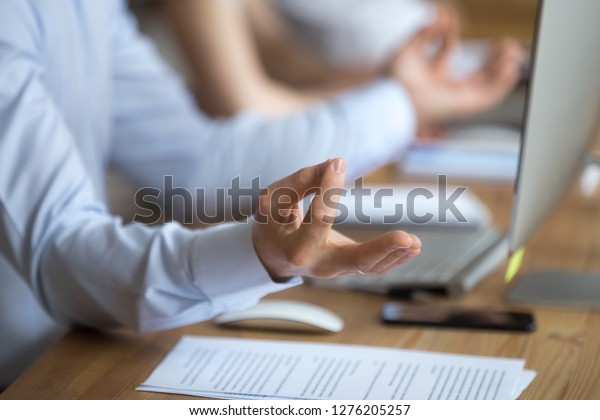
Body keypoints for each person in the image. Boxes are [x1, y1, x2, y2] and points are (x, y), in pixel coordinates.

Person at [0, 0, 522, 390]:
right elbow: (56, 252)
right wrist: (257, 253)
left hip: (74, 349)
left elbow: (199, 161)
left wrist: (404, 102)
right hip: (26, 372)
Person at [159, 0, 524, 119]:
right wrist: (399, 99)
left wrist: (389, 78)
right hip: (161, 205)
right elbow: (243, 107)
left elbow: (283, 60)